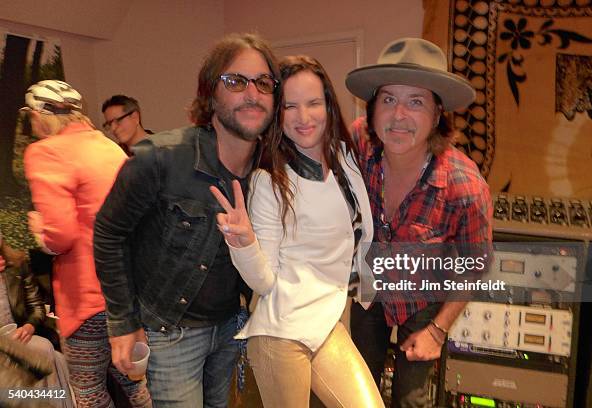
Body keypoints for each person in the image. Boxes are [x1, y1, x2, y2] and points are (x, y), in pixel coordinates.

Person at [93, 33, 280, 408]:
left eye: (263, 83)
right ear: (211, 93)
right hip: (170, 332)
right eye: (235, 81)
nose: (252, 93)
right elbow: (108, 234)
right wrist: (123, 323)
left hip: (233, 326)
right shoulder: (160, 158)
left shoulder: (271, 169)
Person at [210, 55, 384, 408]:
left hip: (325, 322)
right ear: (277, 113)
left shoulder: (345, 159)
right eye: (290, 106)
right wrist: (244, 244)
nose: (304, 118)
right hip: (281, 330)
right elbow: (265, 282)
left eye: (313, 103)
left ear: (329, 106)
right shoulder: (270, 180)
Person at [345, 38, 493, 407]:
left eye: (416, 102)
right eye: (389, 100)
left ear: (438, 113)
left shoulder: (465, 185)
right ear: (373, 107)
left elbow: (476, 265)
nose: (398, 116)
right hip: (370, 289)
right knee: (355, 389)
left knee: (411, 399)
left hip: (425, 299)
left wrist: (437, 331)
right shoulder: (360, 144)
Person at [22, 79, 151, 408]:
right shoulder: (107, 146)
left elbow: (60, 236)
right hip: (128, 290)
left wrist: (39, 227)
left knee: (89, 391)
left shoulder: (45, 152)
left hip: (86, 295)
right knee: (135, 382)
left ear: (40, 114)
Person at [0, 231, 73, 407]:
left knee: (47, 351)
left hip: (19, 336)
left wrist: (29, 327)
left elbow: (37, 307)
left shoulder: (17, 265)